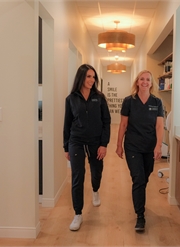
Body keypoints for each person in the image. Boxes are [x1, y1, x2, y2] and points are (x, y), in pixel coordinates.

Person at [63, 64, 111, 231]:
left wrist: (104, 144)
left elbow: (106, 121)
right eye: (89, 76)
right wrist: (66, 147)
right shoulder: (71, 99)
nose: (92, 80)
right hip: (75, 141)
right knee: (77, 176)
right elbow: (67, 124)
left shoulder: (99, 97)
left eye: (93, 77)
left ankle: (95, 190)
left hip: (95, 141)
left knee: (96, 171)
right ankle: (78, 214)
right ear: (81, 78)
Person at [116, 70, 164, 232]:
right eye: (141, 79)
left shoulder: (157, 102)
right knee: (138, 178)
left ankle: (139, 197)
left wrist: (158, 146)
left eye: (148, 80)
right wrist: (118, 145)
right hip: (133, 146)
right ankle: (140, 216)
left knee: (144, 176)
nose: (144, 82)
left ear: (151, 83)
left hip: (149, 147)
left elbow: (159, 126)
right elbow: (123, 125)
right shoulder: (129, 101)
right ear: (137, 82)